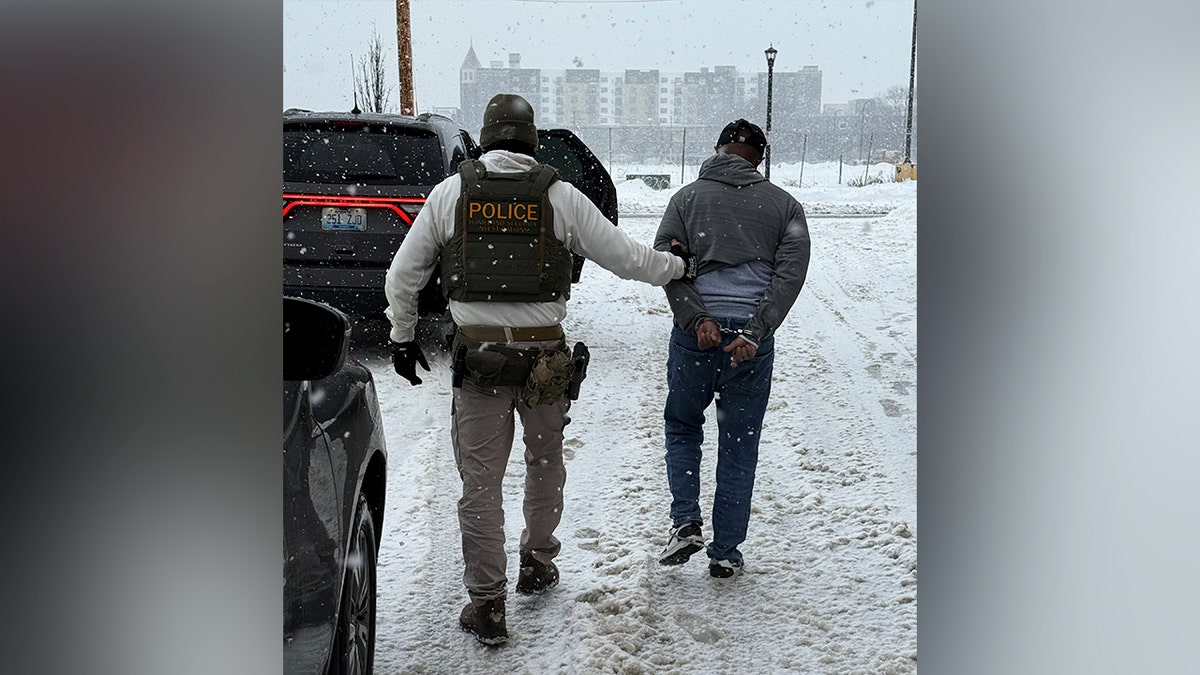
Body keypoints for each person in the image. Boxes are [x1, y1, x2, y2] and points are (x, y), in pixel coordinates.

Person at [383, 93, 691, 646]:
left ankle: (488, 604)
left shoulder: (451, 193)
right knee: (545, 461)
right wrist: (677, 266)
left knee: (481, 483)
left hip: (478, 363)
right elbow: (627, 259)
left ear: (484, 138)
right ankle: (538, 563)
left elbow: (402, 277)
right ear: (531, 140)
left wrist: (402, 336)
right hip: (546, 362)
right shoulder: (560, 195)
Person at [652, 118, 811, 579]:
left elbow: (670, 266)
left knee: (683, 425)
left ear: (717, 149)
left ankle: (685, 521)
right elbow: (788, 277)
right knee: (739, 444)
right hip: (749, 346)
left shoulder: (684, 200)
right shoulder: (785, 207)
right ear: (759, 158)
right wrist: (755, 332)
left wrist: (697, 318)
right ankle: (725, 552)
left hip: (694, 338)